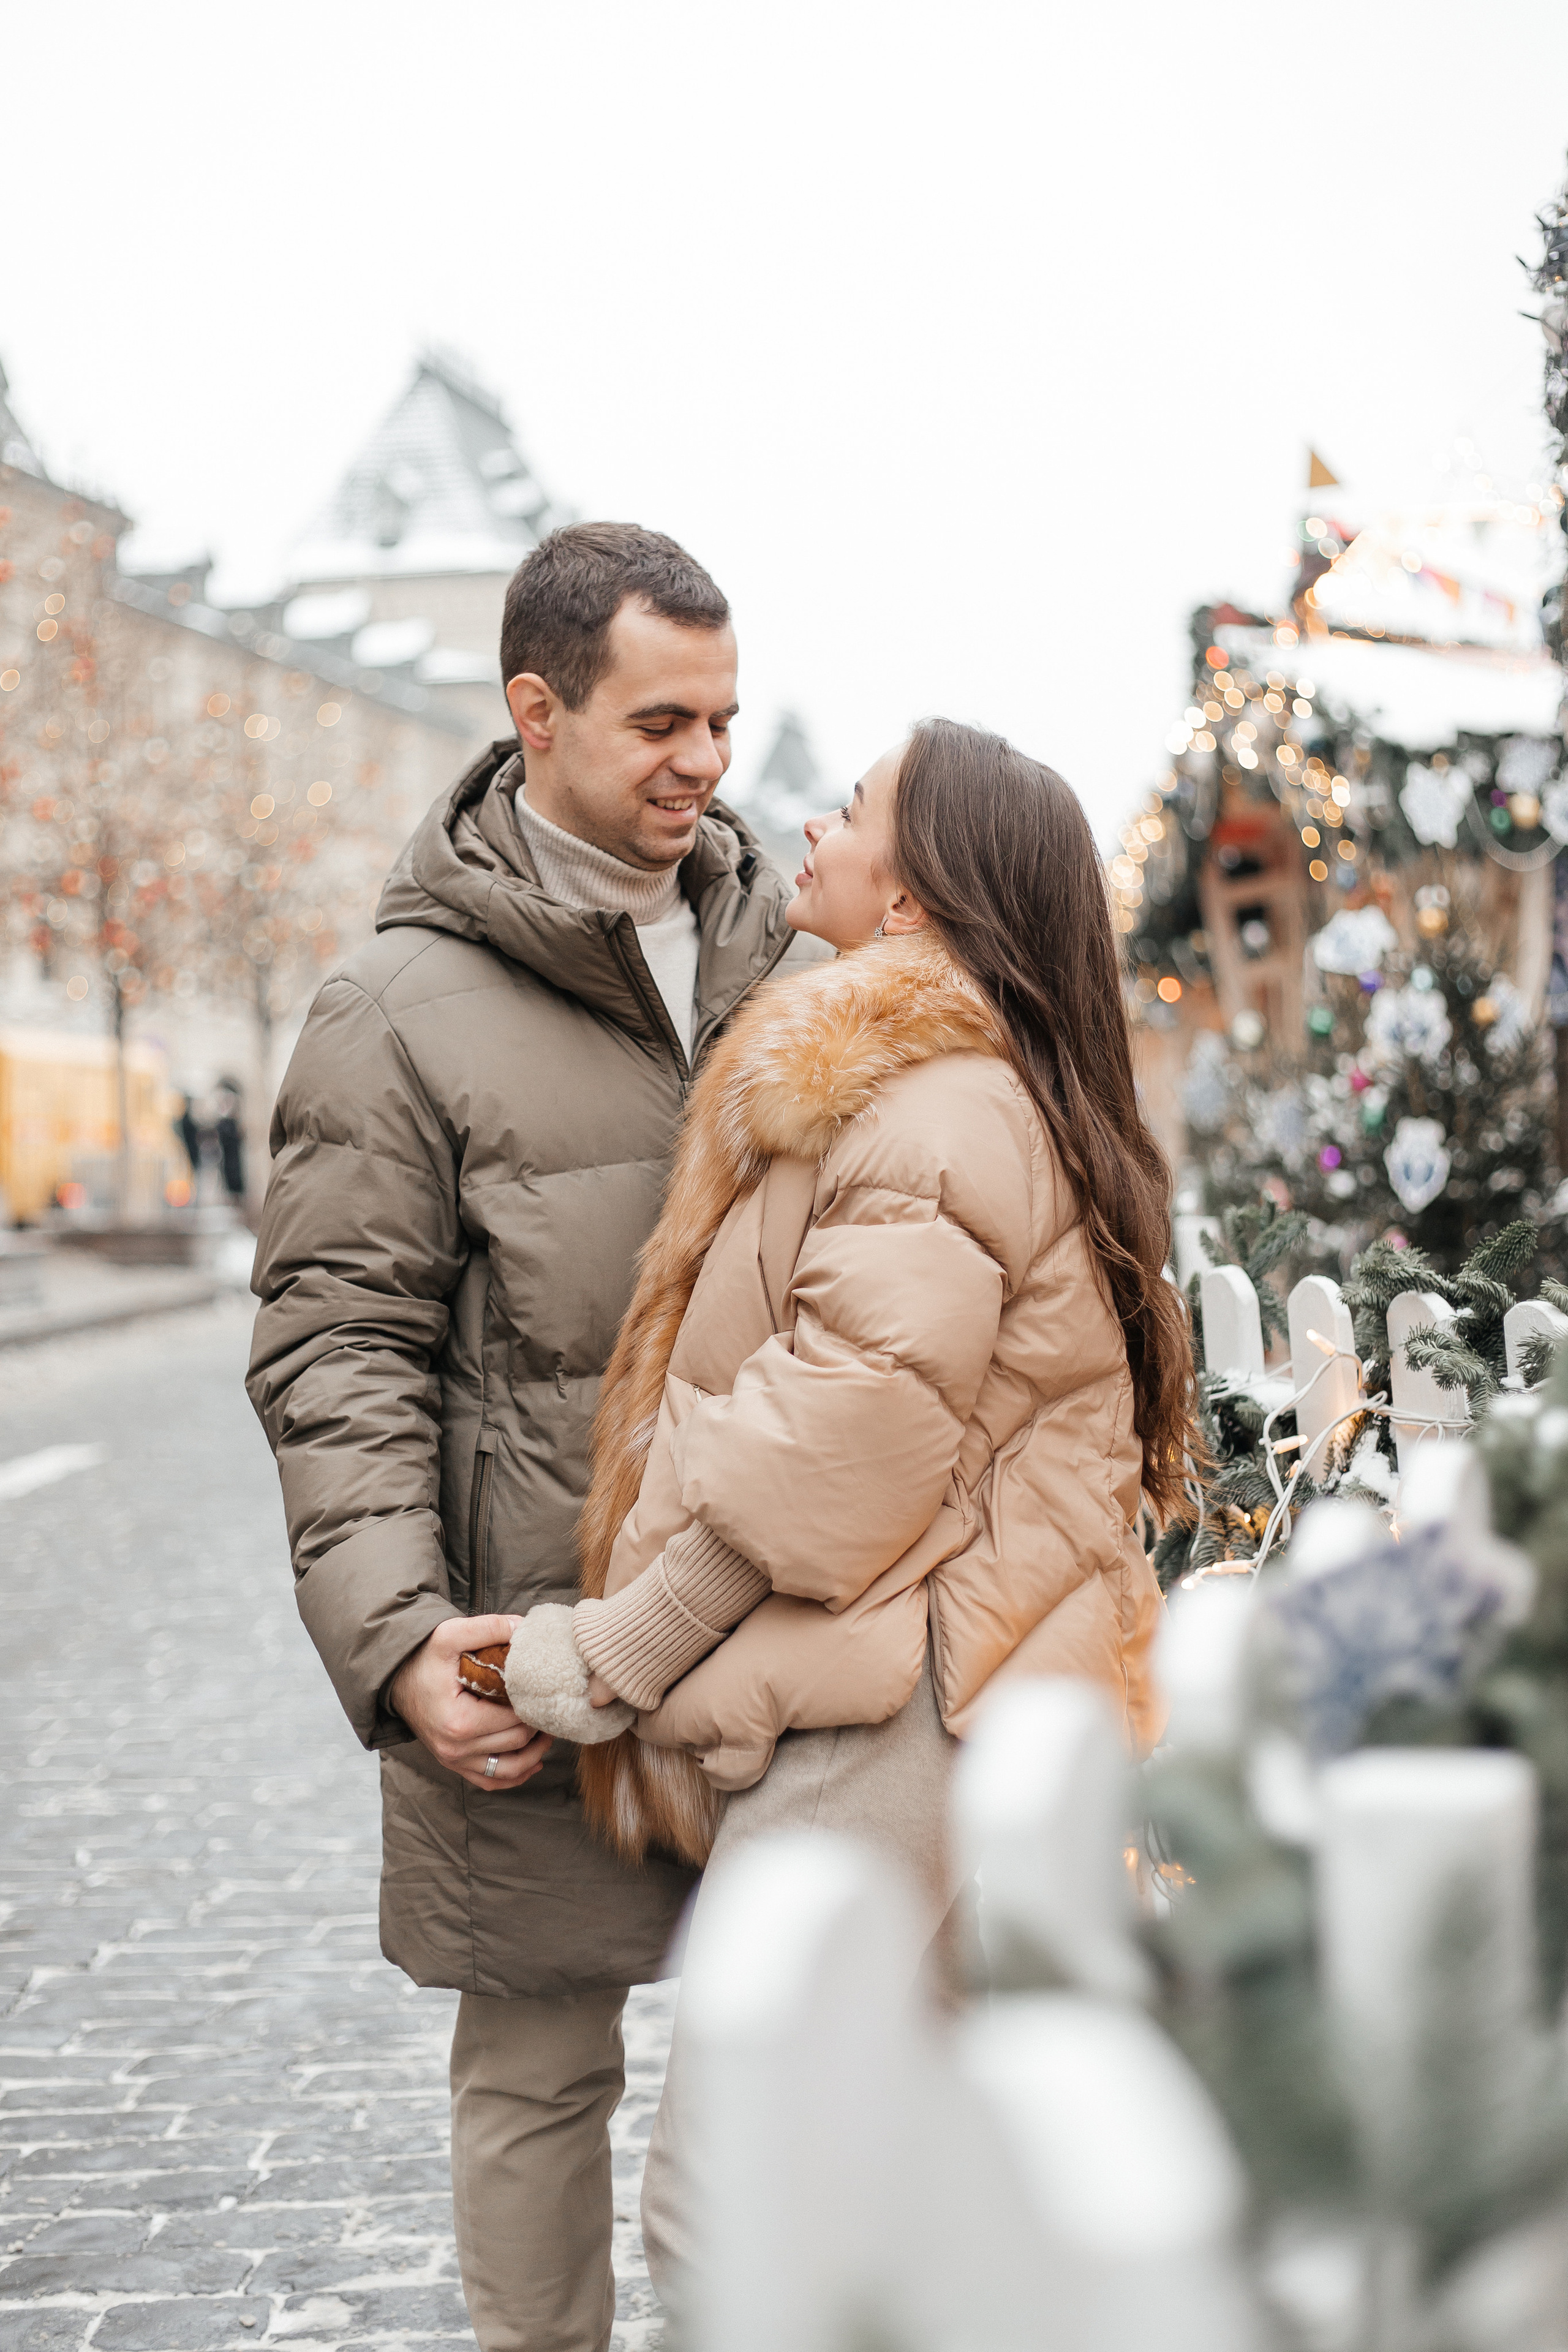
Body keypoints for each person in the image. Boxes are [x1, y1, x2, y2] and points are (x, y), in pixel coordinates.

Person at [500, 715, 1194, 2310]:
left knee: (732, 2207)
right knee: (910, 2201)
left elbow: (846, 1433)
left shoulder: (932, 1109)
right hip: (968, 1680)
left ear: (913, 895)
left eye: (856, 806)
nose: (809, 820)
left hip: (915, 1703)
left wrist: (616, 1649)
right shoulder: (960, 1091)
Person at [245, 522, 827, 2352]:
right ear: (536, 709)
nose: (704, 762)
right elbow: (336, 1346)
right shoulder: (396, 1010)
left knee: (814, 2058)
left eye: (723, 721)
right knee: (539, 2076)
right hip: (530, 1643)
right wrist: (403, 1639)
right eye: (662, 718)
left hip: (785, 1637)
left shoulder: (791, 963)